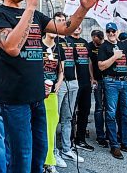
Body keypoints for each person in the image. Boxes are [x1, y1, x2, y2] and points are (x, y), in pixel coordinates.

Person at [0, 0, 103, 173]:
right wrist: (29, 7)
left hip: (37, 96)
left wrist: (83, 8)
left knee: (40, 151)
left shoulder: (37, 16)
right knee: (21, 154)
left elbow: (65, 28)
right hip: (14, 99)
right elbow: (11, 47)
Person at [98, 22, 127, 160]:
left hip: (125, 82)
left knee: (125, 114)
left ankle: (126, 143)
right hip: (111, 82)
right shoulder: (104, 47)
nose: (111, 33)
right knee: (111, 114)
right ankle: (114, 145)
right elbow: (101, 66)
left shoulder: (123, 45)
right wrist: (114, 57)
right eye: (109, 31)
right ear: (106, 32)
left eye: (113, 31)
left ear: (117, 32)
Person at [52, 12, 78, 168]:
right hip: (58, 84)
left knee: (68, 118)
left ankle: (66, 149)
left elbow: (72, 61)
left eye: (64, 20)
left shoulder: (69, 41)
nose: (62, 22)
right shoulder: (51, 40)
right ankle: (54, 151)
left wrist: (76, 80)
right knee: (55, 120)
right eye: (59, 20)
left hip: (72, 83)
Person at [42, 31, 65, 173]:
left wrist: (59, 82)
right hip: (38, 94)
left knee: (51, 128)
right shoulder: (38, 46)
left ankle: (49, 161)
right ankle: (38, 161)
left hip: (52, 94)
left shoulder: (59, 48)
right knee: (39, 128)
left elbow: (61, 70)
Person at [71, 26, 95, 153]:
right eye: (76, 25)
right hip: (74, 82)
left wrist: (92, 77)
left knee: (84, 111)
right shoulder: (66, 41)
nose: (78, 28)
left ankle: (80, 139)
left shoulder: (84, 42)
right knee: (70, 113)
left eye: (80, 26)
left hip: (86, 82)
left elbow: (89, 60)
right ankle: (69, 141)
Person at [87, 29, 108, 147]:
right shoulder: (90, 46)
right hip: (97, 79)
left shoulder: (105, 46)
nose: (95, 44)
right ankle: (100, 136)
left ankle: (109, 133)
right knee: (99, 108)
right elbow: (90, 62)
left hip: (108, 79)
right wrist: (92, 78)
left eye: (97, 42)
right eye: (93, 41)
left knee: (109, 108)